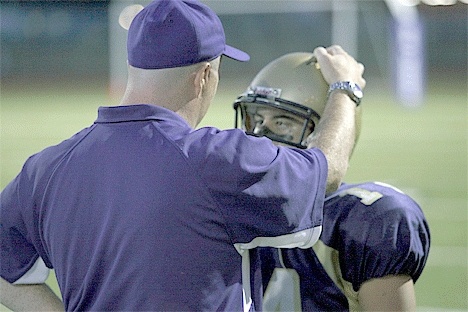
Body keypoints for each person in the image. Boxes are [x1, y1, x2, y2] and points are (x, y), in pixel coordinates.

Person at [0, 0, 366, 311]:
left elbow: (4, 274)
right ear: (204, 76)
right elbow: (327, 171)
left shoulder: (46, 168)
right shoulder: (219, 160)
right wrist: (344, 88)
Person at [233, 52, 431, 311]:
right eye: (257, 120)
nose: (260, 134)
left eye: (281, 121)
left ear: (327, 131)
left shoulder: (366, 219)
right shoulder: (229, 203)